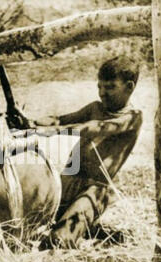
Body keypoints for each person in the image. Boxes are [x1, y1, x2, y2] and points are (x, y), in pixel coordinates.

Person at [33, 56, 143, 249]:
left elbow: (97, 128)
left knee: (58, 242)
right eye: (99, 87)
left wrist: (53, 131)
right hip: (65, 181)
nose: (102, 93)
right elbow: (60, 120)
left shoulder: (132, 117)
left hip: (94, 190)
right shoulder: (94, 107)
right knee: (24, 225)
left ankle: (82, 225)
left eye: (109, 87)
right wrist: (29, 122)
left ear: (129, 87)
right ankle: (86, 228)